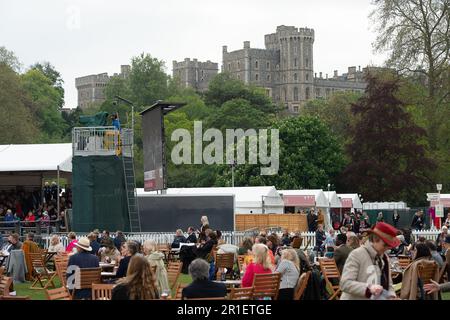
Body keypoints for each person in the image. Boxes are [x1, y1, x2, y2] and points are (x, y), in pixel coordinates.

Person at [339, 222, 399, 300]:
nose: (387, 248)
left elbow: (389, 285)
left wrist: (391, 296)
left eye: (389, 246)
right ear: (375, 239)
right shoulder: (357, 254)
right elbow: (345, 284)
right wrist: (368, 289)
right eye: (385, 245)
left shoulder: (384, 258)